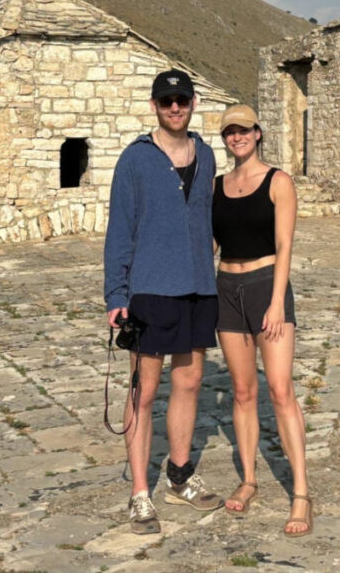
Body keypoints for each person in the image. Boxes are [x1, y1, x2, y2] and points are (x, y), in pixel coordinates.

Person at [104, 69, 223, 535]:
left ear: (193, 103)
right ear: (154, 106)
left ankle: (178, 475)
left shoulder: (207, 155)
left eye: (182, 99)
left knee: (189, 383)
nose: (175, 107)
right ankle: (139, 492)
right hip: (151, 290)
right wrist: (117, 294)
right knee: (144, 391)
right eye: (166, 100)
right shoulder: (135, 159)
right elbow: (120, 228)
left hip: (198, 287)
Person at [212, 103, 312, 537]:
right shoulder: (217, 186)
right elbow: (210, 246)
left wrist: (275, 303)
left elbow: (285, 245)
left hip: (265, 286)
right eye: (229, 132)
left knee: (280, 389)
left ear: (258, 132)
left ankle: (302, 494)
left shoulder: (278, 181)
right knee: (242, 390)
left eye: (243, 130)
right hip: (225, 291)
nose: (237, 137)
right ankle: (249, 479)